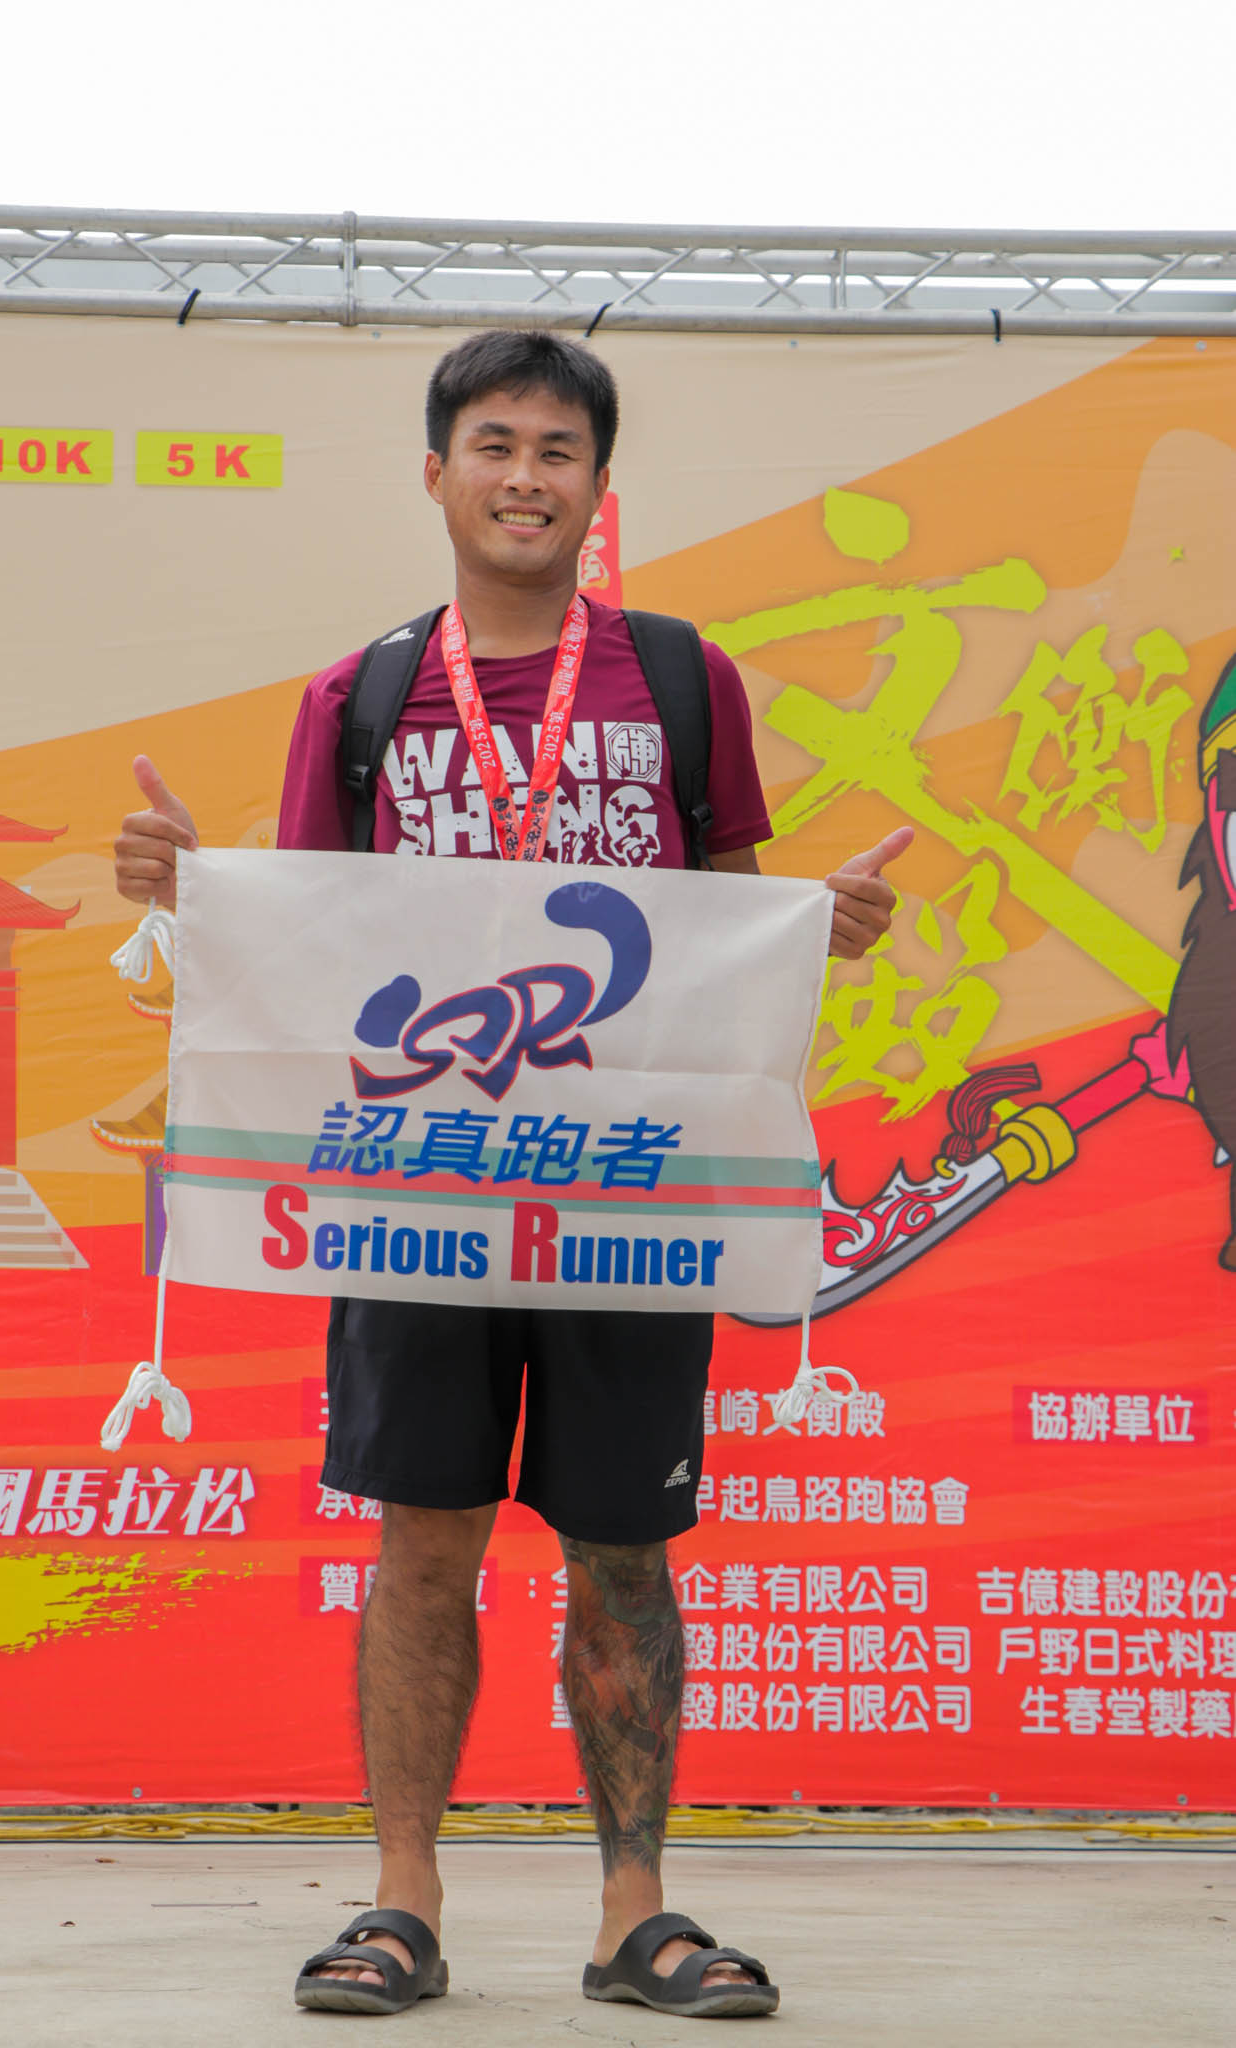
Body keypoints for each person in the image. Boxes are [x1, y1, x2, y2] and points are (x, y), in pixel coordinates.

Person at [115, 330, 910, 2018]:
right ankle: (401, 1903)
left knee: (623, 1547)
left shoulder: (679, 678)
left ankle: (636, 1915)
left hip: (628, 1189)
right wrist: (186, 897)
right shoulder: (362, 696)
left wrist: (812, 932)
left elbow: (728, 914)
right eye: (493, 444)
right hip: (418, 1180)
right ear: (436, 474)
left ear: (598, 487)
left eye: (559, 450)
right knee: (425, 1538)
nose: (525, 477)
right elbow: (306, 939)